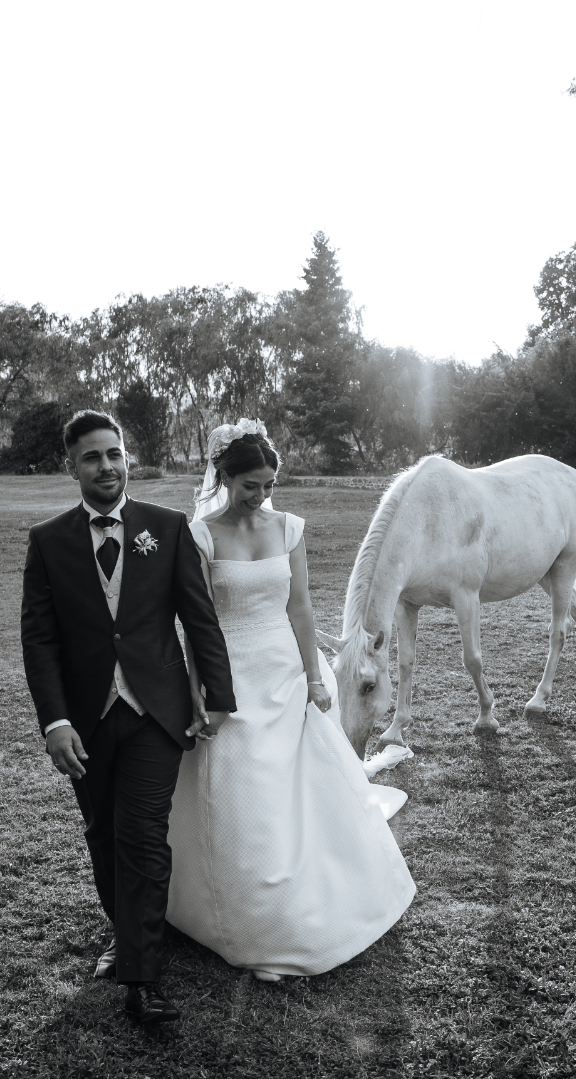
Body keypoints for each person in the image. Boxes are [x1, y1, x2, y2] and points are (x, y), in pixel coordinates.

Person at [165, 420, 413, 980]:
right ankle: (244, 912)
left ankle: (318, 891)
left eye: (269, 483)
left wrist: (315, 677)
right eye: (250, 484)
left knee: (302, 782)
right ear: (223, 477)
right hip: (229, 673)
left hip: (284, 669)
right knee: (242, 787)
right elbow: (194, 622)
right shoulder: (201, 535)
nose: (261, 495)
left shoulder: (290, 528)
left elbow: (299, 608)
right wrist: (198, 690)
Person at [20, 410, 237, 1027]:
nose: (107, 466)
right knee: (102, 834)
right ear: (72, 466)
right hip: (85, 721)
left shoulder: (166, 528)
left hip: (154, 714)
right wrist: (54, 722)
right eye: (92, 457)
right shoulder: (49, 540)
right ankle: (127, 931)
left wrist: (216, 694)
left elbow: (199, 619)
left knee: (141, 834)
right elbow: (40, 642)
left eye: (114, 454)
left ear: (126, 457)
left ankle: (142, 978)